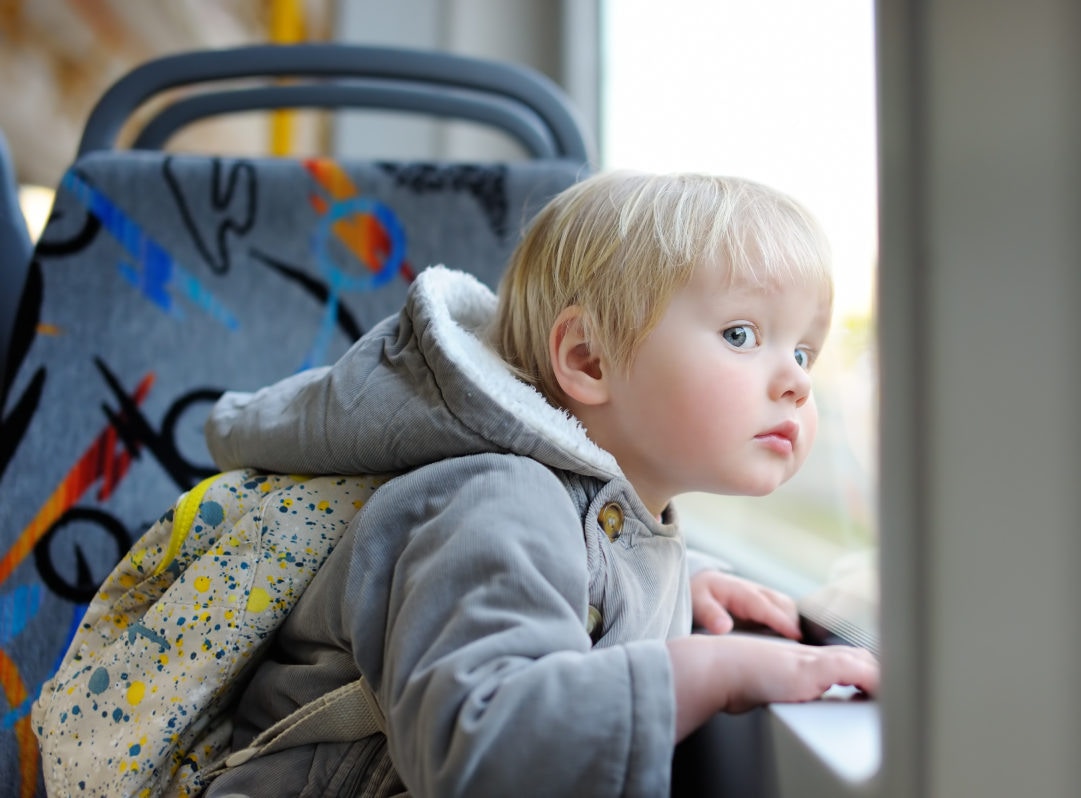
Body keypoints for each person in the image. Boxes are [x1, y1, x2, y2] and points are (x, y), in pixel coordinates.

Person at [202, 171, 879, 797]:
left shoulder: (581, 515)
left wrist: (678, 578)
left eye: (802, 351)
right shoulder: (495, 502)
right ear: (588, 360)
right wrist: (710, 671)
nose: (797, 381)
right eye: (740, 333)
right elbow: (480, 748)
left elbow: (580, 556)